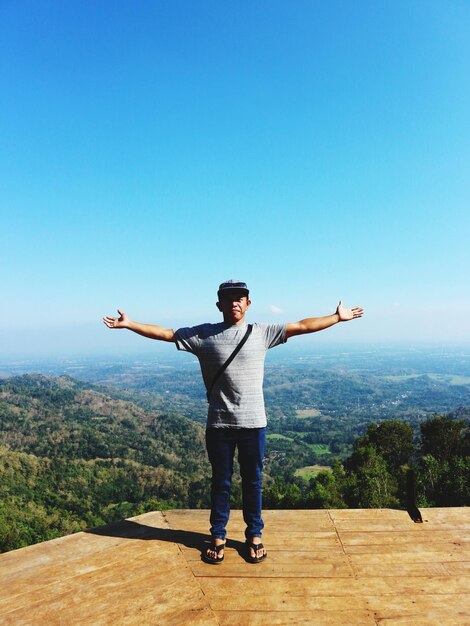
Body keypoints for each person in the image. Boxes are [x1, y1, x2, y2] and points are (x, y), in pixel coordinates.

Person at [103, 280, 363, 564]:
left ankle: (254, 536)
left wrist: (337, 318)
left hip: (254, 423)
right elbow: (166, 333)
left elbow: (302, 326)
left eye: (240, 298)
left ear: (248, 303)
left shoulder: (261, 332)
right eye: (228, 299)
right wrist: (130, 324)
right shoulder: (204, 335)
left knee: (253, 482)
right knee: (221, 483)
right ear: (219, 305)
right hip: (219, 424)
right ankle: (218, 536)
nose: (234, 303)